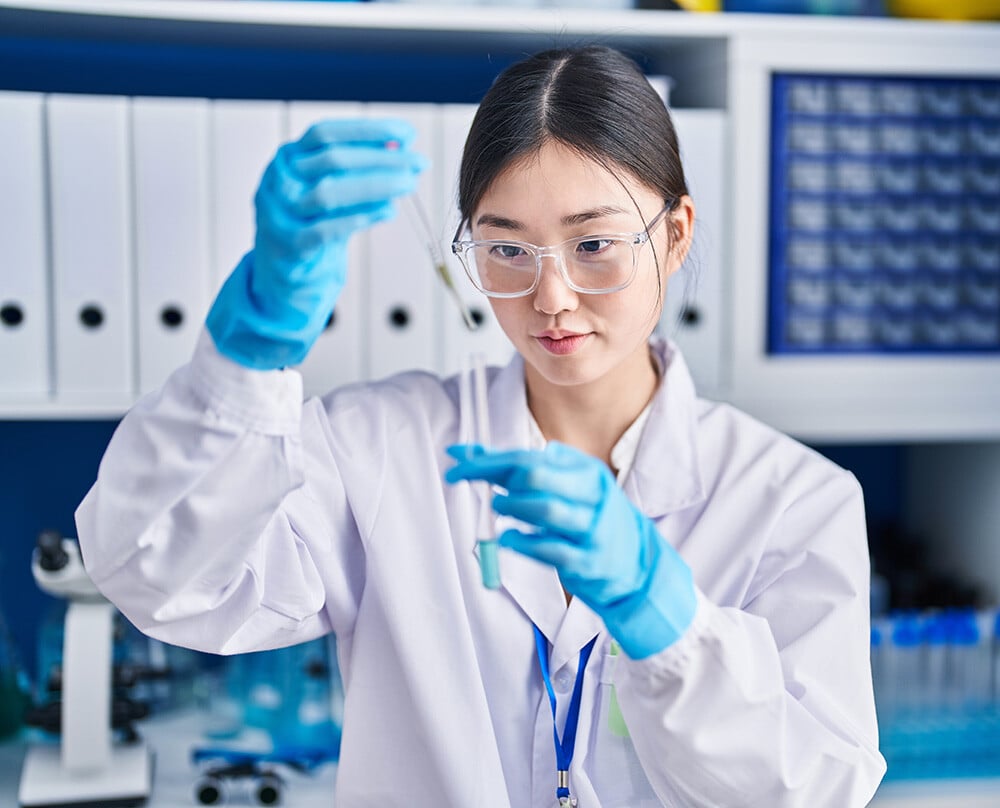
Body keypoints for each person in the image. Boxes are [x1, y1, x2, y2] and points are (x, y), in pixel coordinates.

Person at [76, 45, 886, 807]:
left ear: (674, 236)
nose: (553, 297)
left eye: (595, 244)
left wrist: (669, 621)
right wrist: (248, 351)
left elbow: (815, 789)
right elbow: (160, 578)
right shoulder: (380, 448)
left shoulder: (794, 501)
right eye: (506, 251)